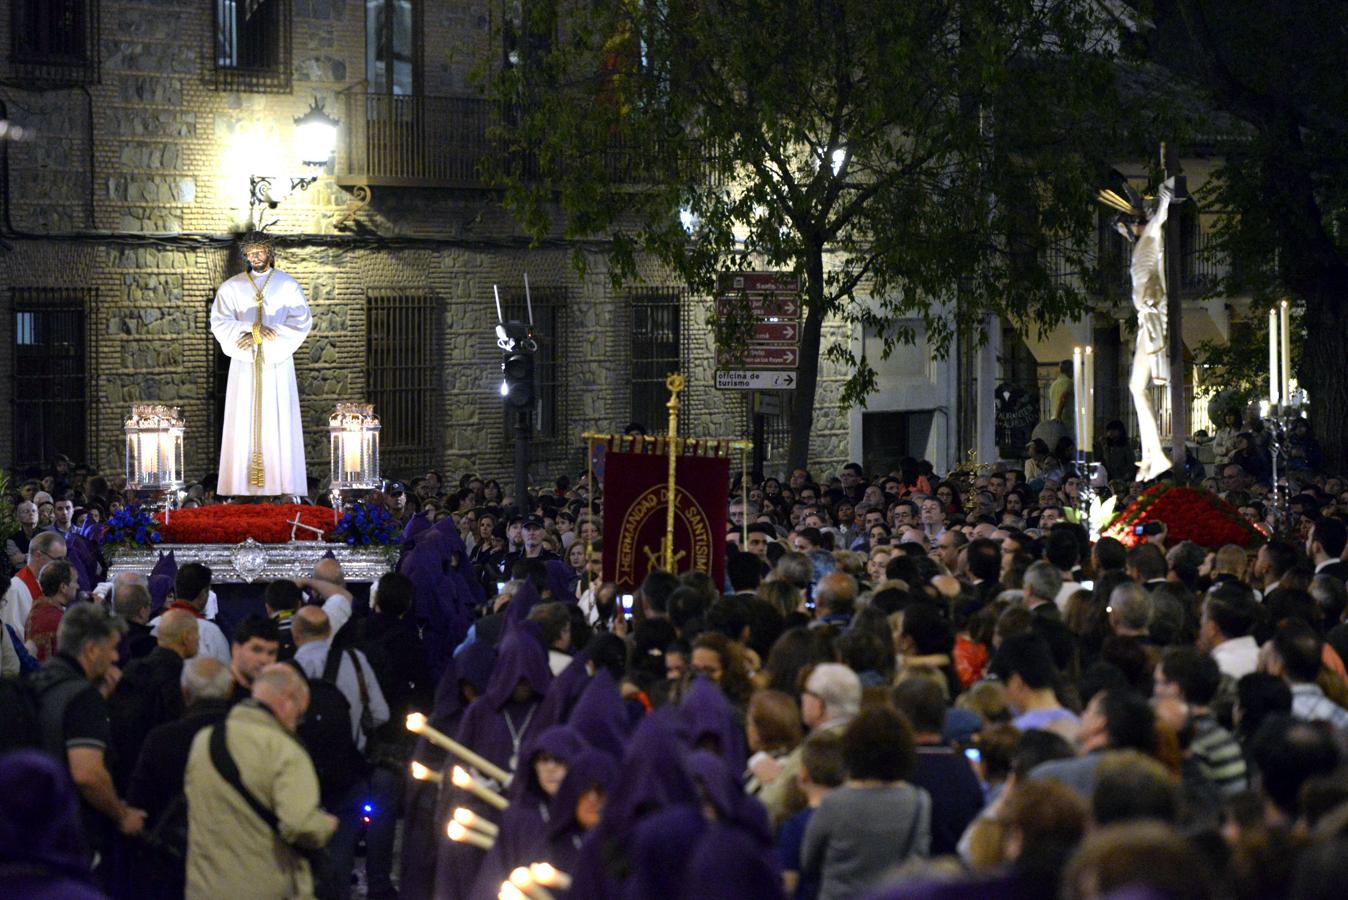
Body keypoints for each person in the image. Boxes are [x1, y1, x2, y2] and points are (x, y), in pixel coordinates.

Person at [184, 663, 338, 899]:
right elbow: (299, 825)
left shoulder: (204, 740)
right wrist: (326, 824)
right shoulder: (285, 750)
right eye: (300, 712)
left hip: (204, 888)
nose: (297, 722)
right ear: (288, 699)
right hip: (265, 888)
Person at [30, 602, 146, 861]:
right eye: (112, 648)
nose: (115, 657)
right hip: (73, 837)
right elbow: (87, 775)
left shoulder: (38, 681)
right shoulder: (83, 698)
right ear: (92, 650)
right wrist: (122, 814)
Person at [210, 231, 312, 497]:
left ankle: (282, 486)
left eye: (259, 252)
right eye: (250, 253)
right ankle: (241, 489)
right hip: (244, 366)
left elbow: (301, 322)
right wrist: (252, 330)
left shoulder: (288, 285)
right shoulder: (231, 288)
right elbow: (219, 322)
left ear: (270, 253)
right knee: (242, 417)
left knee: (279, 420)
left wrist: (269, 336)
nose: (254, 256)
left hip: (276, 365)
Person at [800, 705, 931, 900]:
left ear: (852, 749)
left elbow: (808, 861)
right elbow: (919, 860)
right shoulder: (919, 801)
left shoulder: (834, 802)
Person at [3, 530, 66, 641]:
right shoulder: (15, 588)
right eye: (58, 560)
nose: (62, 565)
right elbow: (13, 636)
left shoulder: (51, 584)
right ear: (38, 555)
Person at [25, 558, 79, 662]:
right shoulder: (56, 620)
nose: (78, 586)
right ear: (63, 587)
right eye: (75, 581)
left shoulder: (39, 609)